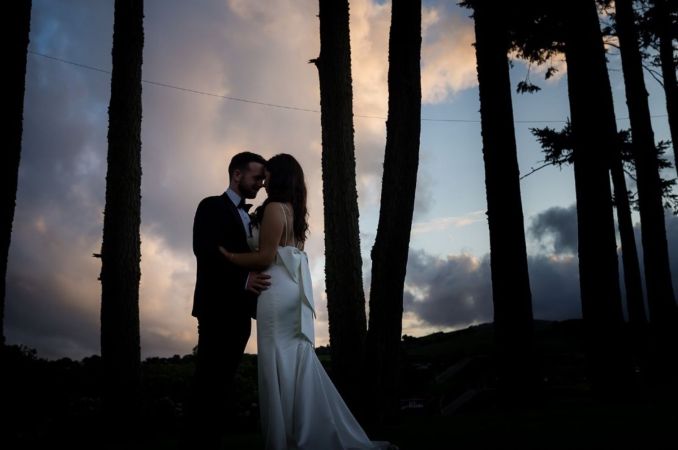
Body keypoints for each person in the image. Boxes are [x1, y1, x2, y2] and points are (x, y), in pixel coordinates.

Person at [218, 153, 391, 450]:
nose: (264, 180)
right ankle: (307, 428)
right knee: (294, 360)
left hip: (275, 289)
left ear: (278, 176)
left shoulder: (273, 208)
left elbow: (266, 256)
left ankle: (286, 436)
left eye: (267, 175)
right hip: (291, 289)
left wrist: (231, 257)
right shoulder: (293, 210)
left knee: (277, 362)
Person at [189, 151, 272, 449]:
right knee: (208, 383)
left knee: (223, 385)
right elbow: (205, 251)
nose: (261, 183)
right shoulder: (211, 206)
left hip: (241, 314)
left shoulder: (250, 216)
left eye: (263, 179)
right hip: (216, 309)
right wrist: (244, 279)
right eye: (256, 177)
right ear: (237, 175)